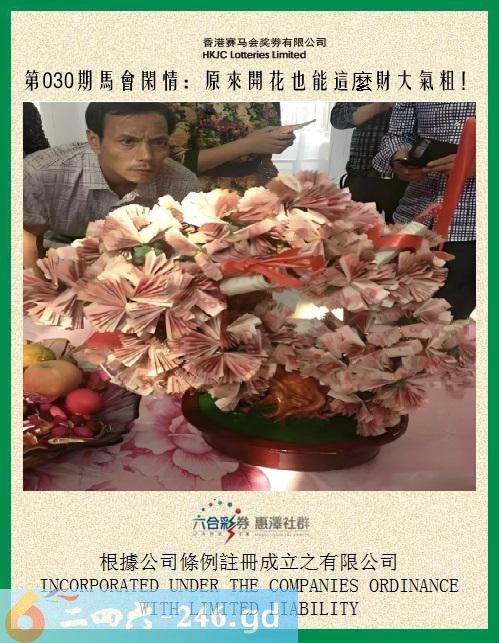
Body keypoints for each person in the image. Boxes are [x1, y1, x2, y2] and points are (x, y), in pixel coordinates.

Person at [23, 102, 199, 271]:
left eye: (158, 142)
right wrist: (41, 285)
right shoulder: (41, 174)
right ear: (94, 141)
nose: (146, 156)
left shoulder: (181, 183)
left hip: (142, 262)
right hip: (57, 253)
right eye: (127, 141)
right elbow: (25, 235)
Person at [373, 102, 476, 320]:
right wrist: (397, 157)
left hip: (471, 226)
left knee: (447, 322)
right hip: (413, 215)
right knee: (385, 314)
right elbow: (397, 134)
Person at [166, 103, 295, 193]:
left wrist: (279, 141)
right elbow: (175, 160)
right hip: (210, 194)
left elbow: (269, 135)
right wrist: (248, 145)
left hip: (265, 184)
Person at [330, 102, 408, 223]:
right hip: (361, 178)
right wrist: (380, 105)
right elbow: (337, 118)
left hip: (406, 180)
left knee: (404, 233)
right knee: (351, 231)